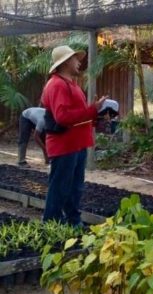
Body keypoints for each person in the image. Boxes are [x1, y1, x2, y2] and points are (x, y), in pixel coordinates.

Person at [41, 45, 107, 225]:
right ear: (65, 63)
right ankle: (51, 224)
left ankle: (73, 221)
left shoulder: (71, 84)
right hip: (65, 145)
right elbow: (62, 117)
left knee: (74, 187)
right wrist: (92, 110)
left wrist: (96, 115)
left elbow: (77, 115)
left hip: (76, 143)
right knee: (61, 187)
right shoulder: (57, 84)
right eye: (74, 58)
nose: (79, 62)